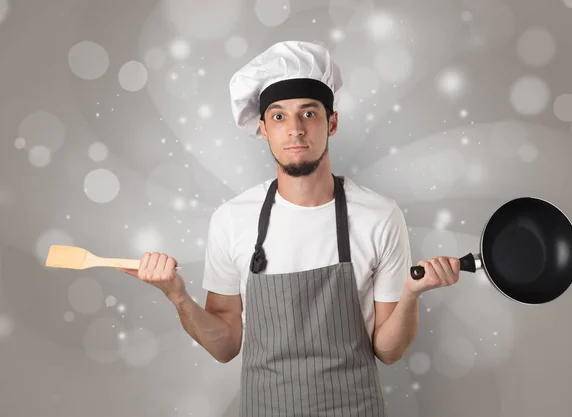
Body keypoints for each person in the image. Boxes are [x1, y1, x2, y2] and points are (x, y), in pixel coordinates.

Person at [118, 40, 461, 416]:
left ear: (332, 121)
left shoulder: (378, 216)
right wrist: (178, 296)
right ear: (263, 128)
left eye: (309, 113)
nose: (295, 129)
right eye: (279, 116)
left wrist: (411, 294)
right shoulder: (233, 219)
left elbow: (388, 351)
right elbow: (225, 346)